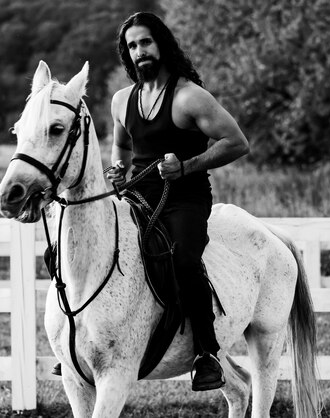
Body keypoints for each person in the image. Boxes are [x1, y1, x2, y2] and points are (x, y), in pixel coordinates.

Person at [107, 11, 250, 391]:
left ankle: (207, 354)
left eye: (146, 42)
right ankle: (86, 346)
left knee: (184, 258)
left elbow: (237, 143)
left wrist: (185, 166)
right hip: (137, 197)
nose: (139, 51)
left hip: (183, 199)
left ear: (162, 44)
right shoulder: (122, 100)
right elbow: (121, 146)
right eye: (132, 45)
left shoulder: (190, 96)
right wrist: (117, 172)